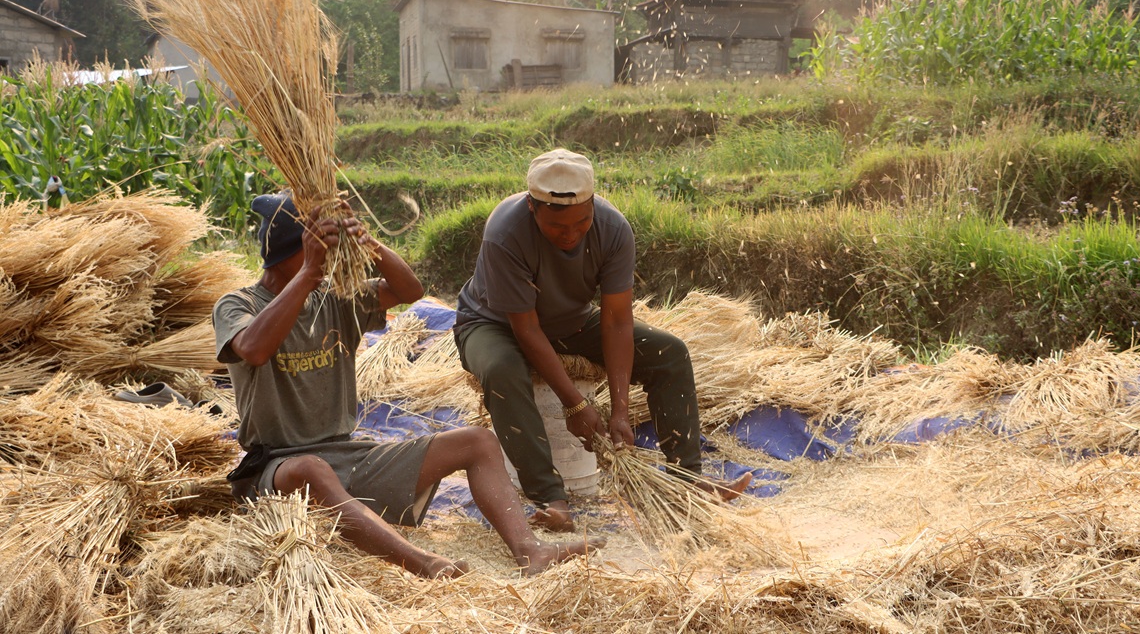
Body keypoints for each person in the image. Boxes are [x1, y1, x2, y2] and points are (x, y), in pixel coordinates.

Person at [213, 192, 603, 578]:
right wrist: (307, 275)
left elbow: (408, 291)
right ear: (289, 252)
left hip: (349, 457)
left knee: (478, 441)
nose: (329, 258)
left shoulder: (332, 298)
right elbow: (254, 349)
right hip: (278, 468)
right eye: (320, 247)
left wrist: (367, 241)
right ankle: (424, 563)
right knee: (313, 469)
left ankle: (529, 550)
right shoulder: (238, 304)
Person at [454, 149, 752, 533]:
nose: (571, 234)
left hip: (571, 322)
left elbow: (615, 321)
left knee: (669, 353)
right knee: (501, 370)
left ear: (593, 203)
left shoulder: (613, 229)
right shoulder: (505, 233)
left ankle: (687, 481)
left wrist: (621, 412)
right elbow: (526, 330)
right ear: (532, 207)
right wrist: (576, 405)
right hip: (494, 323)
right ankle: (550, 497)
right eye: (558, 228)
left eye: (581, 222)